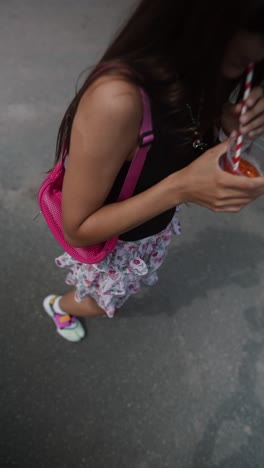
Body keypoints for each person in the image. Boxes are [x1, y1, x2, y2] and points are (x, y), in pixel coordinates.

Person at [43, 0, 264, 342]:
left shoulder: (200, 75)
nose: (253, 61)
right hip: (115, 243)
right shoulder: (117, 101)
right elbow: (77, 228)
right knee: (102, 302)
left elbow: (181, 133)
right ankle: (59, 306)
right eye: (240, 59)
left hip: (148, 233)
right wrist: (181, 188)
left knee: (115, 293)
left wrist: (225, 118)